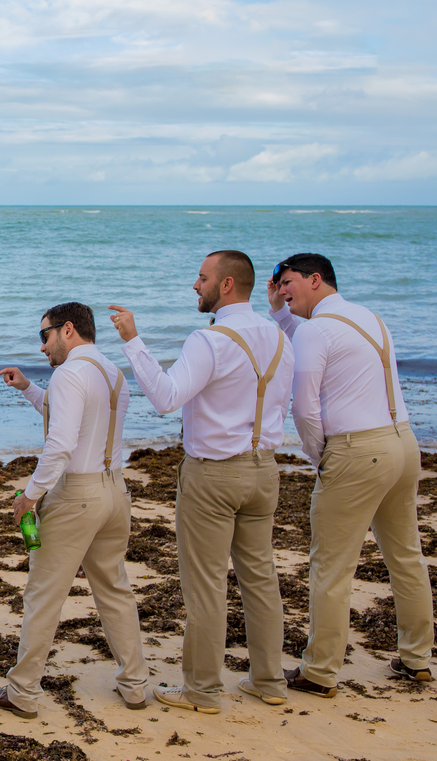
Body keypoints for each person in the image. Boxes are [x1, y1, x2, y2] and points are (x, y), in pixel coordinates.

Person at [109, 250, 293, 714]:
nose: (196, 285)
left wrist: (134, 341)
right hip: (264, 467)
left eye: (202, 277)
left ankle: (203, 690)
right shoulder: (280, 335)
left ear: (226, 285)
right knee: (260, 579)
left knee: (207, 585)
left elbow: (166, 398)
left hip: (214, 474)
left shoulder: (209, 340)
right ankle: (269, 681)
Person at [268, 253, 432, 694]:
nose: (282, 290)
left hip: (357, 451)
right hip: (403, 442)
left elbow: (303, 408)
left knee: (331, 567)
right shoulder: (367, 317)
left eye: (287, 283)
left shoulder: (316, 330)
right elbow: (309, 344)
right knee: (406, 557)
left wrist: (320, 455)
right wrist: (279, 312)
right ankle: (417, 658)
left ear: (315, 279)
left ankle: (319, 672)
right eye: (279, 285)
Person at [0, 302, 149, 719]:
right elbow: (75, 422)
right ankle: (135, 685)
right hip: (114, 491)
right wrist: (27, 387)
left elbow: (60, 445)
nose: (42, 347)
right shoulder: (112, 373)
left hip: (76, 495)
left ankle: (22, 693)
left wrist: (30, 494)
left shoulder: (68, 374)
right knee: (114, 590)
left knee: (43, 594)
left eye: (43, 336)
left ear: (67, 330)